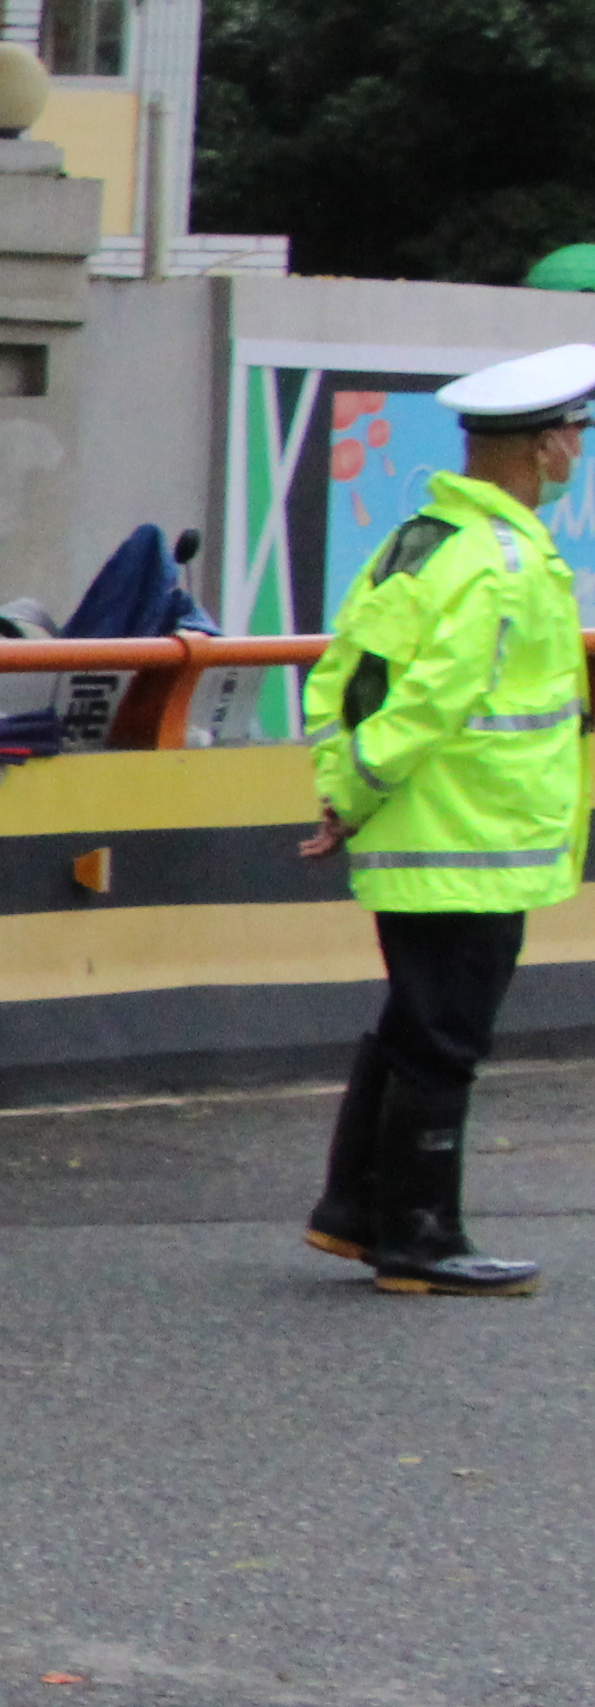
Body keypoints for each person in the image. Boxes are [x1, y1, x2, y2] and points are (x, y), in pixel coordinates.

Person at [297, 343, 590, 1294]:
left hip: (425, 831)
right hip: (473, 837)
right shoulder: (505, 562)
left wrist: (347, 791)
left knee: (414, 1019)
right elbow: (429, 701)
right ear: (544, 449)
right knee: (445, 1036)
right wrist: (362, 788)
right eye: (574, 438)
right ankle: (422, 1239)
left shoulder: (420, 541)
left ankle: (355, 1213)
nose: (578, 455)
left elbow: (350, 677)